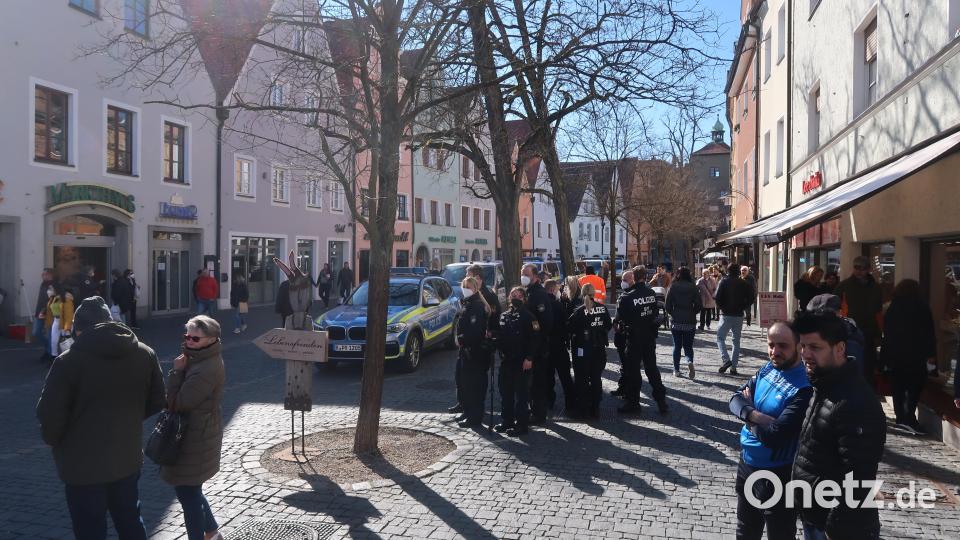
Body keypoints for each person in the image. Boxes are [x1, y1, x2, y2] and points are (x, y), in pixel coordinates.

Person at [37, 296, 166, 540]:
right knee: (130, 521)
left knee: (89, 529)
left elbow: (50, 416)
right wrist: (130, 419)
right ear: (110, 321)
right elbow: (158, 399)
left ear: (78, 328)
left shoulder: (68, 362)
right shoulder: (144, 353)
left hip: (82, 465)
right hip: (125, 457)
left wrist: (56, 441)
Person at [792, 313, 886, 540]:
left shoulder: (855, 401)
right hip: (814, 515)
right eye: (802, 346)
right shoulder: (823, 384)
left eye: (815, 347)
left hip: (837, 527)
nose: (805, 354)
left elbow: (859, 478)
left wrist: (833, 528)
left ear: (840, 348)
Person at [729, 321, 811, 540]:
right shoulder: (767, 368)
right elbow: (734, 399)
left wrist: (747, 415)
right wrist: (755, 415)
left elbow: (775, 435)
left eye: (783, 345)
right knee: (745, 530)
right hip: (747, 465)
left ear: (798, 346)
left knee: (780, 535)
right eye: (771, 345)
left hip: (778, 474)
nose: (775, 351)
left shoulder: (804, 387)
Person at [163, 315, 226, 540]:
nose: (189, 341)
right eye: (187, 336)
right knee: (191, 490)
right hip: (195, 433)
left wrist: (177, 372)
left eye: (195, 338)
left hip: (195, 437)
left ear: (211, 339)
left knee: (187, 493)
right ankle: (212, 532)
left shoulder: (205, 368)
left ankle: (203, 535)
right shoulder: (198, 359)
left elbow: (177, 403)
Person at [880, 279, 937, 435]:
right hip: (916, 355)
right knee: (913, 387)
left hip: (896, 354)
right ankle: (909, 416)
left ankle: (901, 418)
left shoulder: (893, 307)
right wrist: (931, 354)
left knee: (898, 387)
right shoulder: (922, 307)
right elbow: (929, 333)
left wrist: (885, 357)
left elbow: (888, 334)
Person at [449, 265, 502, 418]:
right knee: (461, 378)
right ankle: (465, 405)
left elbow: (490, 319)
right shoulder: (468, 301)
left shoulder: (484, 298)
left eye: (469, 277)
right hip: (466, 349)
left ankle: (473, 412)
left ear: (477, 279)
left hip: (475, 349)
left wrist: (490, 333)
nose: (465, 288)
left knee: (475, 382)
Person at [615, 265, 668, 414]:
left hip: (633, 338)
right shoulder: (651, 293)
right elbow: (655, 313)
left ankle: (633, 403)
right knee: (652, 370)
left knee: (633, 371)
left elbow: (621, 319)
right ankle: (661, 401)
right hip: (649, 337)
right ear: (644, 277)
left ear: (634, 278)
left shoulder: (626, 297)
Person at [494, 286, 539, 436]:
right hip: (506, 361)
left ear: (524, 299)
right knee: (505, 393)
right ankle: (507, 421)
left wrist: (529, 358)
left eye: (520, 296)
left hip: (522, 362)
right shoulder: (504, 315)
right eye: (514, 295)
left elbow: (535, 339)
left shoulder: (530, 316)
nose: (516, 298)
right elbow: (500, 336)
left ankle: (521, 425)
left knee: (521, 396)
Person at [834, 255, 883, 387]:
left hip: (869, 332)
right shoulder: (844, 286)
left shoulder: (876, 288)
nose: (859, 271)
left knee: (867, 367)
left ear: (868, 269)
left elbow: (878, 312)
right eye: (856, 267)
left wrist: (880, 333)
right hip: (849, 331)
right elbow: (834, 308)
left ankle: (866, 394)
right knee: (850, 364)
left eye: (863, 268)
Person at [567, 282, 612, 418]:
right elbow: (608, 325)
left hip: (582, 350)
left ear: (582, 294)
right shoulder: (602, 308)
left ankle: (583, 409)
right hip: (598, 349)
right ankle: (595, 408)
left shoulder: (579, 311)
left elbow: (569, 327)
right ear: (594, 293)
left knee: (582, 379)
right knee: (596, 378)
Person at [455, 277, 492, 427]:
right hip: (467, 352)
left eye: (468, 286)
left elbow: (475, 332)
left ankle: (474, 418)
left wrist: (461, 339)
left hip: (475, 353)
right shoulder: (469, 303)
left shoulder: (476, 306)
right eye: (464, 286)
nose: (465, 289)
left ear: (475, 288)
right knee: (466, 385)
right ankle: (469, 413)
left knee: (474, 387)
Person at [522, 263, 554, 424]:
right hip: (529, 345)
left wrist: (537, 343)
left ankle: (539, 414)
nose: (523, 277)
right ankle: (533, 410)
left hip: (539, 347)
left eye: (526, 274)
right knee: (531, 382)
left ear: (535, 276)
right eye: (522, 273)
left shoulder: (539, 294)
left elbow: (546, 323)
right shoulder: (529, 292)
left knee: (538, 382)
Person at [716, 263, 754, 376]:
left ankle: (726, 359)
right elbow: (751, 297)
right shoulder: (744, 283)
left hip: (726, 314)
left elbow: (717, 297)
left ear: (728, 270)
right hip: (738, 315)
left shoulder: (723, 281)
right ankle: (733, 367)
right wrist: (743, 306)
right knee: (736, 341)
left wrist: (722, 307)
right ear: (738, 271)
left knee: (720, 337)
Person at [544, 279, 575, 412]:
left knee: (548, 376)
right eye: (557, 289)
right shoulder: (558, 305)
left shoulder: (541, 303)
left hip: (546, 346)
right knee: (565, 376)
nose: (558, 292)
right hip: (559, 345)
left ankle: (549, 401)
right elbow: (565, 324)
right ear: (552, 290)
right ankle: (570, 403)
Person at [665, 267, 702, 378]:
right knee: (688, 346)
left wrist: (673, 313)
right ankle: (689, 361)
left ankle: (676, 369)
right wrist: (692, 312)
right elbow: (699, 304)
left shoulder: (673, 286)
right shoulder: (693, 287)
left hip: (676, 320)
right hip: (689, 320)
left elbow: (667, 305)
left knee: (677, 346)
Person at [610, 270, 632, 397]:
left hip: (625, 335)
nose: (622, 282)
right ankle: (623, 387)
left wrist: (617, 324)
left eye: (625, 280)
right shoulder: (624, 294)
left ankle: (627, 390)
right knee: (624, 365)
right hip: (622, 334)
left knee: (627, 364)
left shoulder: (628, 296)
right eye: (622, 280)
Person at [45, 286, 75, 358]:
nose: (48, 291)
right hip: (56, 321)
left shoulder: (66, 298)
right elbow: (50, 311)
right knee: (54, 342)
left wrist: (67, 328)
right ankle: (53, 358)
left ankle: (67, 359)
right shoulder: (53, 298)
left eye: (51, 289)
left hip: (63, 321)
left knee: (65, 342)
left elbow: (69, 314)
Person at [33, 268, 56, 359]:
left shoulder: (54, 285)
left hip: (49, 313)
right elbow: (41, 300)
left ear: (50, 275)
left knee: (50, 334)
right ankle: (47, 349)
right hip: (40, 312)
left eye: (44, 274)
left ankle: (50, 354)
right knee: (36, 332)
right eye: (42, 274)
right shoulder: (42, 284)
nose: (42, 275)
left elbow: (53, 300)